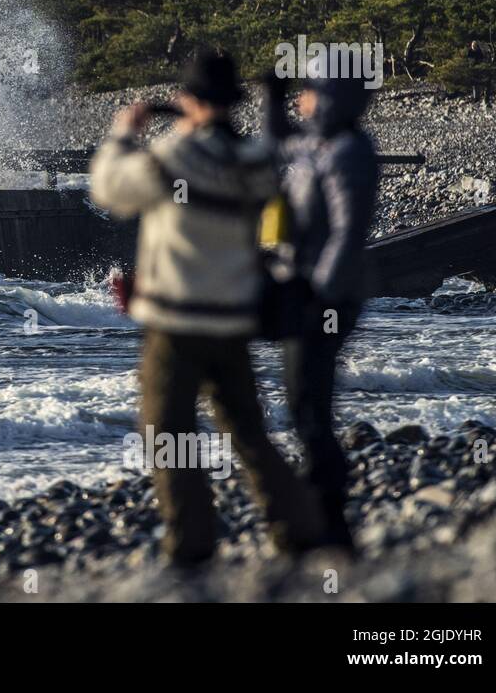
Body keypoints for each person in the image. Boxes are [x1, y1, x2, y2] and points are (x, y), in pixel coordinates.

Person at [90, 50, 324, 566]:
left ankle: (192, 546)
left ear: (190, 102)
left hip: (176, 323)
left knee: (168, 435)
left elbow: (109, 189)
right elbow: (268, 159)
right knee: (248, 434)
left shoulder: (175, 156)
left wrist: (124, 133)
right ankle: (300, 530)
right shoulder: (255, 163)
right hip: (233, 320)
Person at [264, 72, 379, 551]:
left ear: (332, 98)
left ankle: (328, 520)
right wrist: (272, 101)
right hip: (306, 293)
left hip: (327, 300)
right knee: (303, 403)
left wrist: (320, 295)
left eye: (309, 92)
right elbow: (277, 149)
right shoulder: (321, 145)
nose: (302, 100)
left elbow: (348, 232)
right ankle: (323, 515)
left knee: (310, 404)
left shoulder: (350, 152)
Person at [466, 40, 491, 105]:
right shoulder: (469, 51)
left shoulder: (479, 51)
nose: (474, 47)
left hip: (479, 69)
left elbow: (481, 59)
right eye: (473, 45)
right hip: (472, 69)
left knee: (479, 83)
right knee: (474, 84)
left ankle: (480, 96)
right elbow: (468, 60)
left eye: (475, 46)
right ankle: (475, 97)